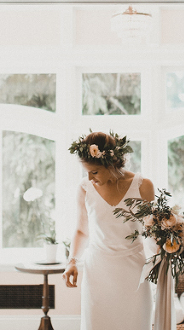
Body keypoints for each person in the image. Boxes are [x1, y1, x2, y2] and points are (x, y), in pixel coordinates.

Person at [63, 131, 155, 330]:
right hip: (98, 273)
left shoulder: (143, 186)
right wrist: (72, 261)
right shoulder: (85, 188)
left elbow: (153, 232)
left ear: (112, 163)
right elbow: (81, 230)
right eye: (86, 172)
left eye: (94, 172)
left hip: (134, 273)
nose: (89, 177)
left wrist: (164, 257)